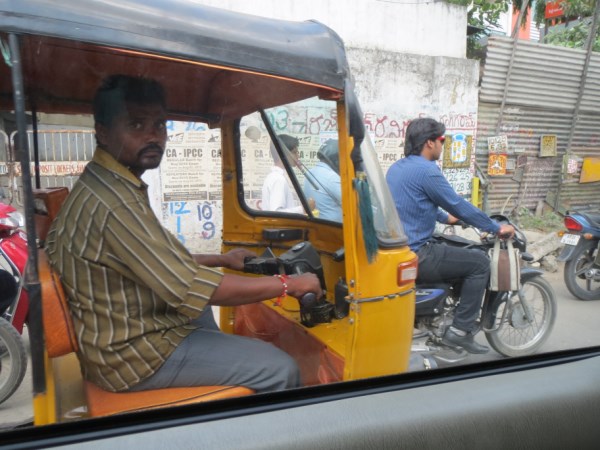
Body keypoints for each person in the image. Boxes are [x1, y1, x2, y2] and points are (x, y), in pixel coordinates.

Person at [45, 74, 322, 394]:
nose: (153, 136)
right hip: (131, 357)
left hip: (118, 332)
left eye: (159, 125)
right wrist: (289, 284)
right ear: (103, 133)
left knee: (199, 306)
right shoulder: (115, 204)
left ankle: (225, 369)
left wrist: (222, 259)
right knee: (280, 368)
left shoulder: (108, 183)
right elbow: (189, 286)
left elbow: (159, 260)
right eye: (136, 125)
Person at [386, 118, 514, 354]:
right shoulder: (427, 171)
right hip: (418, 253)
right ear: (429, 142)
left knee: (457, 249)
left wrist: (447, 219)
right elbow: (457, 204)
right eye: (442, 140)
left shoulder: (397, 168)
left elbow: (413, 203)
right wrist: (495, 227)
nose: (442, 146)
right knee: (480, 262)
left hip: (399, 249)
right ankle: (460, 331)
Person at [261, 134, 315, 213]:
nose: (298, 156)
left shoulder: (277, 177)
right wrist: (304, 209)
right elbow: (276, 213)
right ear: (283, 154)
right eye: (294, 152)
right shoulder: (278, 179)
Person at [303, 139, 342, 222]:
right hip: (333, 227)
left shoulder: (309, 172)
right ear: (336, 159)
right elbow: (352, 202)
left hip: (317, 224)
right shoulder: (332, 177)